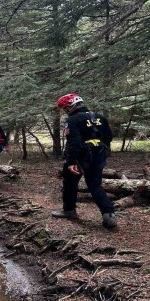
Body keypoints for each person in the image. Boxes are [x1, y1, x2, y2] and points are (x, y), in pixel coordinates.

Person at [51, 93, 116, 228]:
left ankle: (69, 210)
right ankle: (109, 214)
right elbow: (109, 137)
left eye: (65, 108)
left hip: (82, 156)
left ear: (71, 106)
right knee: (94, 184)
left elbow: (73, 142)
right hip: (100, 154)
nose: (65, 111)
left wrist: (71, 162)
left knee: (70, 182)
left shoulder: (73, 120)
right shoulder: (100, 117)